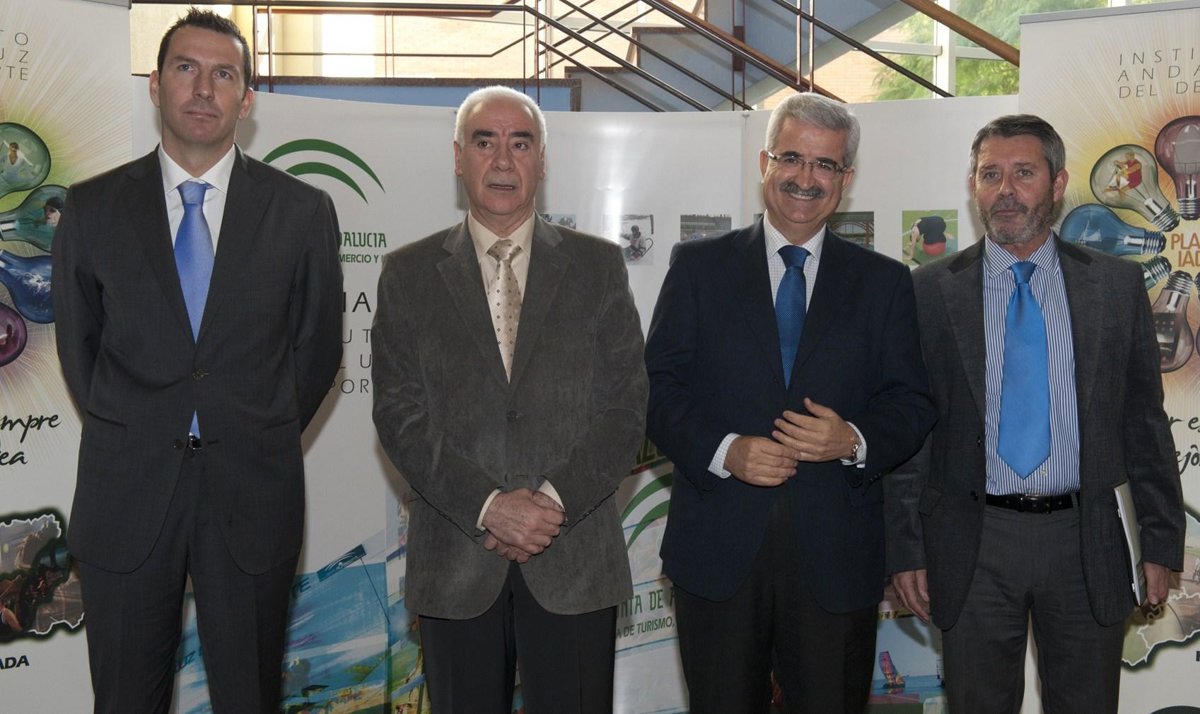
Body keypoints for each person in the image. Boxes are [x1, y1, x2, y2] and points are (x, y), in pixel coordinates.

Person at [52, 9, 342, 712]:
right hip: (126, 494)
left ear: (247, 100)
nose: (204, 89)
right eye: (186, 69)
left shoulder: (301, 212)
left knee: (250, 697)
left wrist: (251, 425)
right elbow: (80, 351)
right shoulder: (91, 209)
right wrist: (142, 424)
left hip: (253, 495)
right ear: (156, 86)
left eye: (224, 75)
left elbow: (315, 352)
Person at [644, 92, 935, 713]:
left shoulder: (884, 282)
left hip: (837, 559)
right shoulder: (698, 266)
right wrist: (726, 451)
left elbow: (912, 402)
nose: (806, 177)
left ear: (846, 179)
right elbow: (658, 390)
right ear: (765, 163)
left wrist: (852, 440)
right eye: (792, 158)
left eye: (825, 164)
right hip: (717, 554)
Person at [885, 114, 1185, 714]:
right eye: (989, 174)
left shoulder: (1114, 286)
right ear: (973, 185)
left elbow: (1144, 423)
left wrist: (1160, 540)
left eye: (1023, 173)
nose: (1005, 190)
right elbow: (910, 434)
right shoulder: (928, 291)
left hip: (1085, 539)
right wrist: (907, 549)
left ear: (1058, 183)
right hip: (972, 542)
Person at [371, 85, 647, 713]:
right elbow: (399, 415)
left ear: (542, 161)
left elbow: (625, 409)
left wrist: (551, 504)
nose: (502, 160)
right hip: (456, 562)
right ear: (457, 157)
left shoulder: (599, 267)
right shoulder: (408, 274)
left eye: (520, 144)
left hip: (574, 559)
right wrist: (489, 506)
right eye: (484, 142)